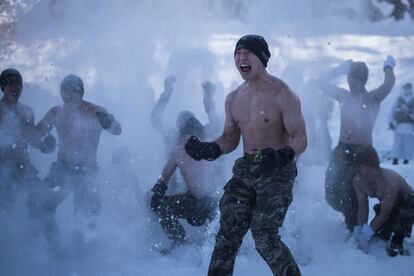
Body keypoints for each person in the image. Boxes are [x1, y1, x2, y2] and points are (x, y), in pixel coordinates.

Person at [185, 34, 307, 276]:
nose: (241, 58)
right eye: (237, 53)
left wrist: (283, 155)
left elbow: (301, 139)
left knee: (265, 238)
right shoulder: (233, 98)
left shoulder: (283, 94)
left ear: (262, 58)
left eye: (248, 52)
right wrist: (209, 149)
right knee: (227, 235)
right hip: (245, 171)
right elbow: (230, 139)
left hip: (276, 172)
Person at [34, 74, 121, 250]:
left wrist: (108, 121)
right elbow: (36, 132)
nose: (68, 94)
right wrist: (44, 141)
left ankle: (82, 256)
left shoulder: (95, 111)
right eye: (64, 90)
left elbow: (117, 130)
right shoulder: (56, 112)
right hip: (62, 168)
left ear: (81, 92)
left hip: (87, 171)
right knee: (41, 206)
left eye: (73, 90)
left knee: (87, 216)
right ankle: (55, 250)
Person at [316, 56, 396, 231]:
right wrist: (339, 69)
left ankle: (356, 226)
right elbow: (320, 82)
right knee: (331, 191)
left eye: (356, 83)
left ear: (363, 81)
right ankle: (349, 215)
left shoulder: (373, 97)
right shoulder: (343, 96)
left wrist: (388, 68)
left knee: (355, 190)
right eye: (350, 81)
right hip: (342, 148)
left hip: (364, 152)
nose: (352, 86)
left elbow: (388, 84)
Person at [150, 114, 220, 254]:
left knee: (225, 208)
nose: (189, 140)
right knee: (161, 205)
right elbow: (163, 179)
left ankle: (217, 243)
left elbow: (163, 180)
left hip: (212, 201)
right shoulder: (178, 152)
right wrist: (157, 193)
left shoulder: (211, 150)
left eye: (192, 136)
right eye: (186, 136)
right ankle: (180, 242)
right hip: (195, 201)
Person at [0, 68, 55, 211]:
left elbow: (31, 138)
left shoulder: (27, 111)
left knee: (40, 206)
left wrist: (44, 145)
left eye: (18, 84)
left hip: (23, 167)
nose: (15, 87)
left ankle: (38, 232)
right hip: (3, 168)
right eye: (11, 83)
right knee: (6, 211)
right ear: (3, 87)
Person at [352, 146, 414, 257]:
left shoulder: (391, 181)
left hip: (408, 202)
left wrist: (366, 234)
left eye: (368, 171)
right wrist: (359, 229)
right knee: (380, 234)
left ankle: (398, 241)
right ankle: (386, 232)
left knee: (405, 213)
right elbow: (362, 207)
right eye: (361, 171)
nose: (365, 176)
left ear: (376, 167)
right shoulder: (358, 180)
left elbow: (385, 213)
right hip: (389, 204)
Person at [389, 83, 414, 165]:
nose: (407, 90)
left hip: (410, 125)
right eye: (405, 88)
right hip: (399, 125)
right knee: (398, 143)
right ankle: (395, 158)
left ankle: (406, 159)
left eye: (408, 88)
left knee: (408, 143)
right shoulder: (399, 100)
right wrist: (390, 122)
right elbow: (392, 111)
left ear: (411, 89)